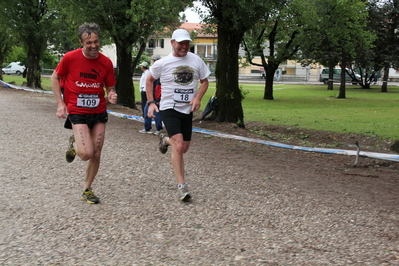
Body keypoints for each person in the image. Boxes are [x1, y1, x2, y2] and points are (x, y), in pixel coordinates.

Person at [51, 23, 117, 204]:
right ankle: (75, 145)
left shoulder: (106, 62)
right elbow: (55, 77)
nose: (94, 46)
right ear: (81, 42)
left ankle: (87, 189)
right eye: (89, 43)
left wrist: (111, 93)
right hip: (77, 111)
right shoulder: (70, 58)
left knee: (96, 153)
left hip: (98, 112)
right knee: (86, 153)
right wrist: (60, 103)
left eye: (96, 41)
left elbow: (110, 85)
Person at [146, 29, 211, 202]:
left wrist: (197, 97)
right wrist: (151, 102)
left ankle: (165, 140)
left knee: (184, 147)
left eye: (186, 43)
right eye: (180, 43)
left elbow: (205, 82)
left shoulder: (196, 60)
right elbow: (149, 80)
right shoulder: (163, 63)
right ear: (172, 43)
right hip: (169, 108)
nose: (184, 46)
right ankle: (182, 187)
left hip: (187, 110)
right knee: (179, 145)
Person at [140, 54, 163, 135]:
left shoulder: (159, 72)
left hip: (155, 98)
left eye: (153, 61)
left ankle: (159, 129)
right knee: (146, 111)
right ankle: (147, 128)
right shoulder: (154, 71)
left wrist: (157, 99)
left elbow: (158, 87)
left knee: (156, 114)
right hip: (151, 97)